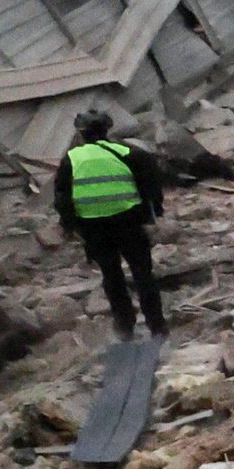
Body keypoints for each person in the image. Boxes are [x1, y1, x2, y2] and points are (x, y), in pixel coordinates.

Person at [58, 109, 165, 336]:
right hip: (128, 221)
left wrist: (70, 226)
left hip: (93, 227)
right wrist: (153, 211)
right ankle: (157, 326)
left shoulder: (71, 159)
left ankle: (125, 325)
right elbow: (152, 185)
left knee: (111, 274)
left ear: (81, 132)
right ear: (107, 129)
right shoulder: (129, 152)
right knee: (143, 273)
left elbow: (62, 198)